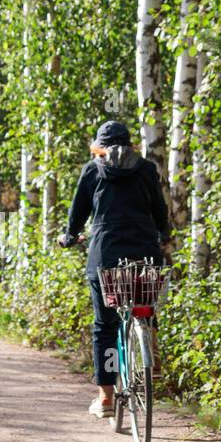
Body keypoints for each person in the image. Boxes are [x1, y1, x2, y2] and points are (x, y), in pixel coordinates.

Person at [57, 120, 170, 418]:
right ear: (130, 145)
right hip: (145, 251)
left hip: (105, 256)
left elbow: (78, 212)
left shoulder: (93, 169)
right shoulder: (146, 169)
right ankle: (152, 359)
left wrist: (69, 236)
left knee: (105, 326)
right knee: (144, 303)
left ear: (99, 147)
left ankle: (105, 399)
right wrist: (164, 235)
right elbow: (160, 211)